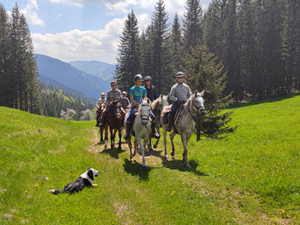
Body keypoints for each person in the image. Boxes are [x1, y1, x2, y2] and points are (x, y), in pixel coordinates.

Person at [124, 74, 160, 140]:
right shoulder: (132, 89)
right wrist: (137, 103)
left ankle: (154, 132)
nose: (140, 82)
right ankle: (128, 133)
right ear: (135, 81)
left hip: (143, 106)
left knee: (153, 117)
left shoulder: (143, 89)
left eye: (140, 81)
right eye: (138, 81)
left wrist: (144, 103)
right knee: (129, 117)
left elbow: (145, 97)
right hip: (134, 106)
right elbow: (131, 99)